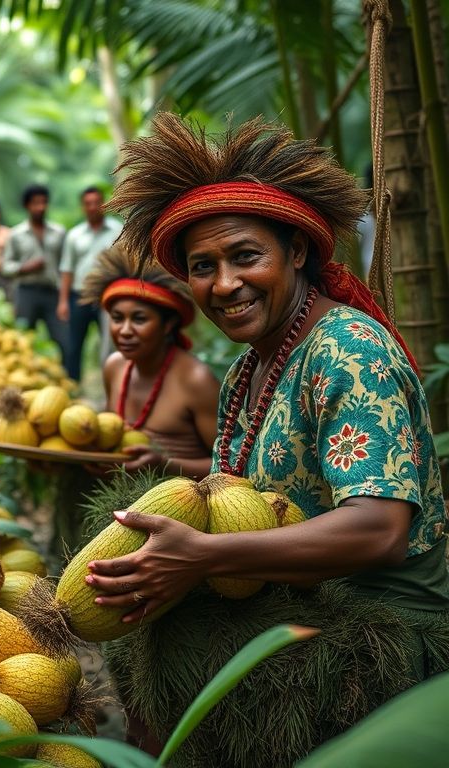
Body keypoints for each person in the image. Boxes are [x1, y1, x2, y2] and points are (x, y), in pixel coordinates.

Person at [82, 114, 449, 766]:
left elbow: (380, 531)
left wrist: (204, 558)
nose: (224, 285)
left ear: (297, 252)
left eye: (245, 256)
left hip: (384, 624)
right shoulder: (249, 368)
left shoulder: (347, 352)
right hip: (301, 593)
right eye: (203, 266)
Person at [80, 242, 219, 480]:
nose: (124, 330)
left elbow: (230, 466)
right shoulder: (115, 367)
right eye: (116, 318)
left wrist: (165, 465)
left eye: (139, 319)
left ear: (168, 324)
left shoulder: (195, 380)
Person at [57, 187, 123, 380]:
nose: (93, 207)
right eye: (88, 203)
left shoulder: (117, 230)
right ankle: (72, 385)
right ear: (83, 207)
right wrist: (62, 302)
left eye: (97, 202)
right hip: (80, 296)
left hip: (108, 295)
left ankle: (112, 385)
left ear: (103, 204)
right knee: (74, 344)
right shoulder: (74, 235)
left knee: (111, 345)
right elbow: (67, 269)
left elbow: (127, 261)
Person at [1, 184, 68, 359]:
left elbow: (66, 265)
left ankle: (67, 380)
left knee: (63, 339)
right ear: (27, 206)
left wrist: (64, 297)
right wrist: (25, 268)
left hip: (52, 293)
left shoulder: (59, 232)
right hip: (26, 293)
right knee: (23, 340)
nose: (40, 207)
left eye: (44, 202)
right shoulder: (15, 234)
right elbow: (6, 267)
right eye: (35, 203)